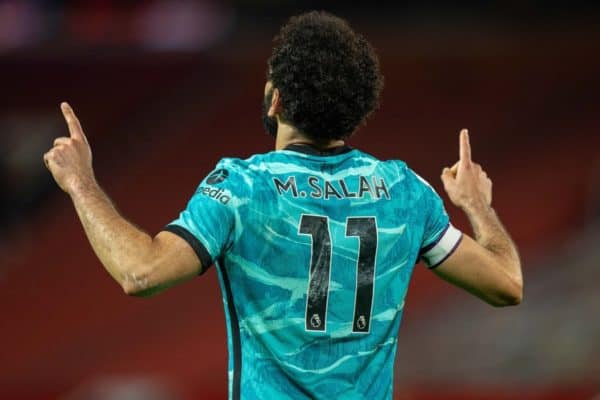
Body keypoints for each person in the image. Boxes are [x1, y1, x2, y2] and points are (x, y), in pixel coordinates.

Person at [43, 11, 522, 400]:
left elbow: (141, 272)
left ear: (276, 100)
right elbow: (507, 285)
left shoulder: (243, 186)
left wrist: (81, 182)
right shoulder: (405, 190)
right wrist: (477, 206)